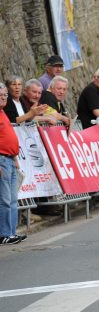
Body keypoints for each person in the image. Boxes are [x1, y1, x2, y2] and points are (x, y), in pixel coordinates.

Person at [0, 83, 27, 244]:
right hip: (2, 159)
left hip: (9, 159)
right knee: (4, 199)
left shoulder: (2, 112)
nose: (4, 98)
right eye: (0, 95)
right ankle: (4, 234)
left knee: (12, 199)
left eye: (5, 95)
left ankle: (11, 232)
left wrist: (15, 159)